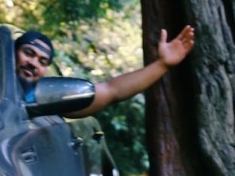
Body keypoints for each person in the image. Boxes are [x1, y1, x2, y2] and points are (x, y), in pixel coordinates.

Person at [14, 25, 196, 118]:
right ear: (12, 52)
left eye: (42, 61)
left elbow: (111, 90)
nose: (33, 63)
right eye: (28, 53)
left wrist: (162, 64)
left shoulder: (39, 98)